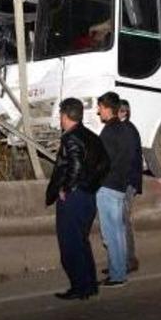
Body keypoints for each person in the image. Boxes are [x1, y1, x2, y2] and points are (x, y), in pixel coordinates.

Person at [46, 98, 109, 300]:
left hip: (74, 198)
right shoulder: (91, 136)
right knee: (82, 242)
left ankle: (79, 287)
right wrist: (92, 184)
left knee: (70, 244)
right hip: (87, 196)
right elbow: (105, 164)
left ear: (64, 115)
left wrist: (67, 188)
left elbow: (75, 166)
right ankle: (89, 284)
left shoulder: (71, 137)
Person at [95, 92, 137, 288]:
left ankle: (118, 275)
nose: (98, 111)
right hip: (120, 186)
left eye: (100, 107)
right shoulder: (126, 130)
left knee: (111, 234)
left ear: (107, 108)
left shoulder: (109, 131)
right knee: (118, 233)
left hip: (108, 187)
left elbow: (102, 162)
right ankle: (117, 271)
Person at [118, 99, 146, 273]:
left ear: (123, 112)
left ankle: (129, 260)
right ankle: (120, 259)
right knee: (118, 222)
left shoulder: (127, 130)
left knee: (123, 221)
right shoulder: (123, 129)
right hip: (124, 182)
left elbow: (126, 160)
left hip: (126, 183)